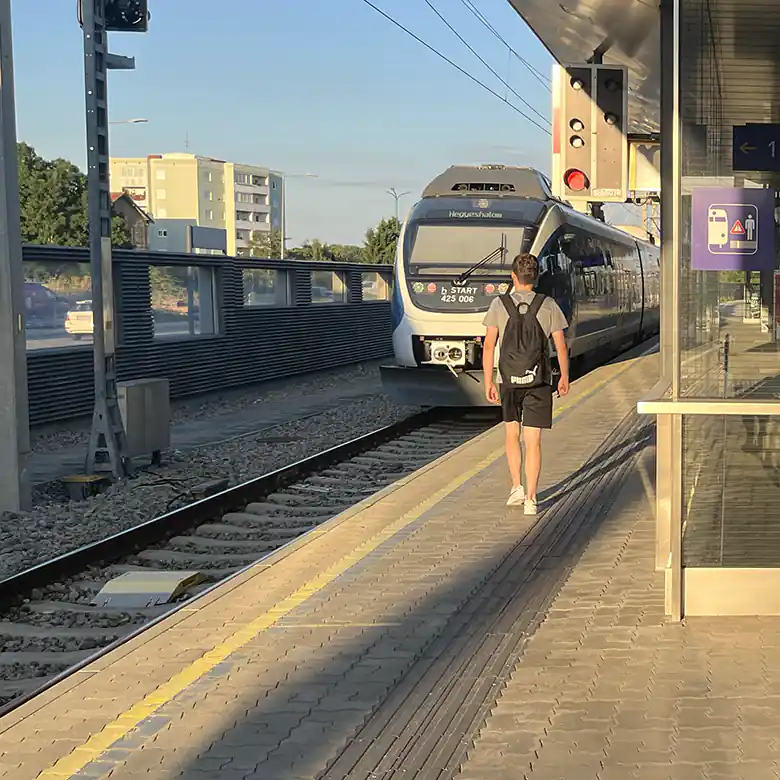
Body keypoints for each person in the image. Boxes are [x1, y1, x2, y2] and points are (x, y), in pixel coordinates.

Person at [482, 252, 570, 515]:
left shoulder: (499, 304)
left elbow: (488, 345)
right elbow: (561, 346)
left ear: (513, 277)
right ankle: (532, 499)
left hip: (508, 379)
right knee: (534, 440)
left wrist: (489, 381)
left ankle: (516, 487)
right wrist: (564, 377)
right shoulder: (548, 304)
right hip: (539, 379)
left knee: (512, 434)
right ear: (536, 278)